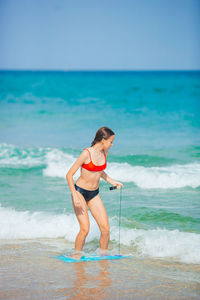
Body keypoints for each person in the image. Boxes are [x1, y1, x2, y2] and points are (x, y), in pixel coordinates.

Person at [66, 126, 123, 259]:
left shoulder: (104, 153)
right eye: (111, 141)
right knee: (85, 229)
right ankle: (76, 255)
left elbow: (100, 171)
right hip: (79, 192)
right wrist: (74, 194)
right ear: (103, 140)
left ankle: (103, 256)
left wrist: (113, 181)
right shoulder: (86, 153)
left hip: (94, 194)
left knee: (105, 229)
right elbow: (69, 175)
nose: (112, 144)